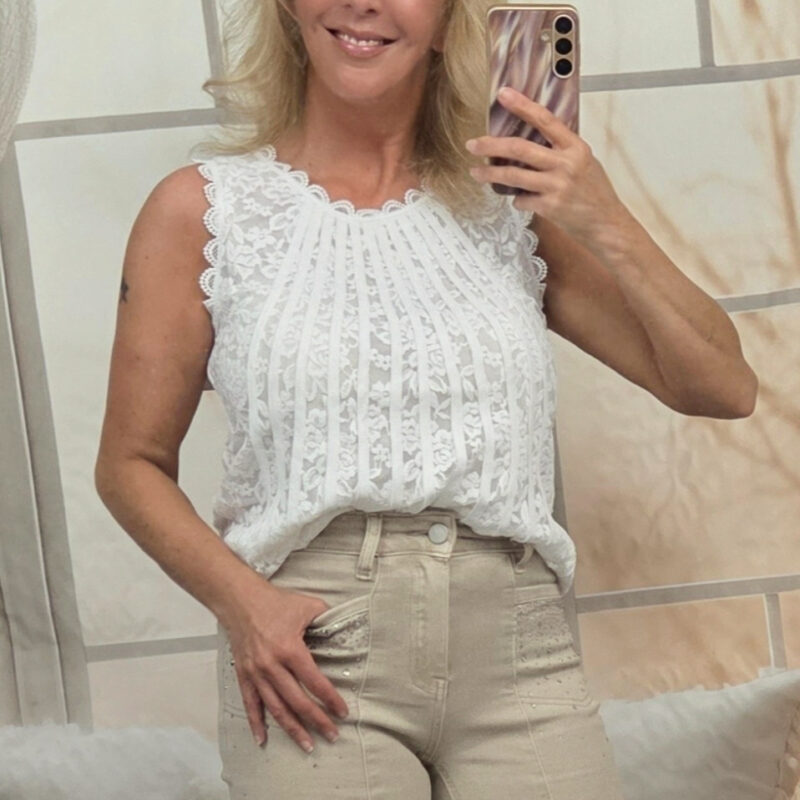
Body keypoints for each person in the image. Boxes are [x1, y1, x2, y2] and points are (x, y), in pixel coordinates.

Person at [94, 0, 758, 797]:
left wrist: (603, 217)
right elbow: (130, 463)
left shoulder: (511, 208)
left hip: (519, 650)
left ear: (447, 21)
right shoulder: (204, 210)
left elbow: (723, 387)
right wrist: (244, 606)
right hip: (315, 651)